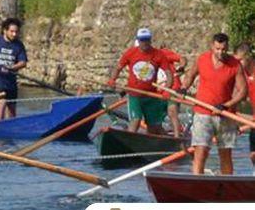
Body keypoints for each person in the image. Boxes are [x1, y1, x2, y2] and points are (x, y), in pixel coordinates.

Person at [181, 33, 247, 176]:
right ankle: (196, 181)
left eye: (223, 49)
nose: (220, 52)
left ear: (227, 48)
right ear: (212, 46)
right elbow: (191, 75)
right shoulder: (202, 59)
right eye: (217, 49)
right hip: (203, 113)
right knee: (201, 151)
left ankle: (227, 183)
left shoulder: (235, 65)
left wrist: (226, 105)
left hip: (225, 115)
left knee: (225, 154)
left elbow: (242, 92)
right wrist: (184, 87)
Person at [106, 28, 173, 136]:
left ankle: (156, 143)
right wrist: (112, 79)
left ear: (150, 40)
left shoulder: (158, 54)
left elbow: (169, 74)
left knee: (154, 126)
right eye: (142, 40)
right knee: (136, 120)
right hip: (134, 95)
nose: (144, 43)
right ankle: (128, 141)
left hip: (151, 96)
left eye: (146, 40)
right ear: (138, 40)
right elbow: (118, 67)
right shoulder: (131, 53)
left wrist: (167, 90)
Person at [233, 43, 255, 169]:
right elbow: (236, 95)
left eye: (240, 60)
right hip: (253, 121)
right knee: (253, 155)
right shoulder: (243, 75)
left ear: (248, 57)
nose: (238, 64)